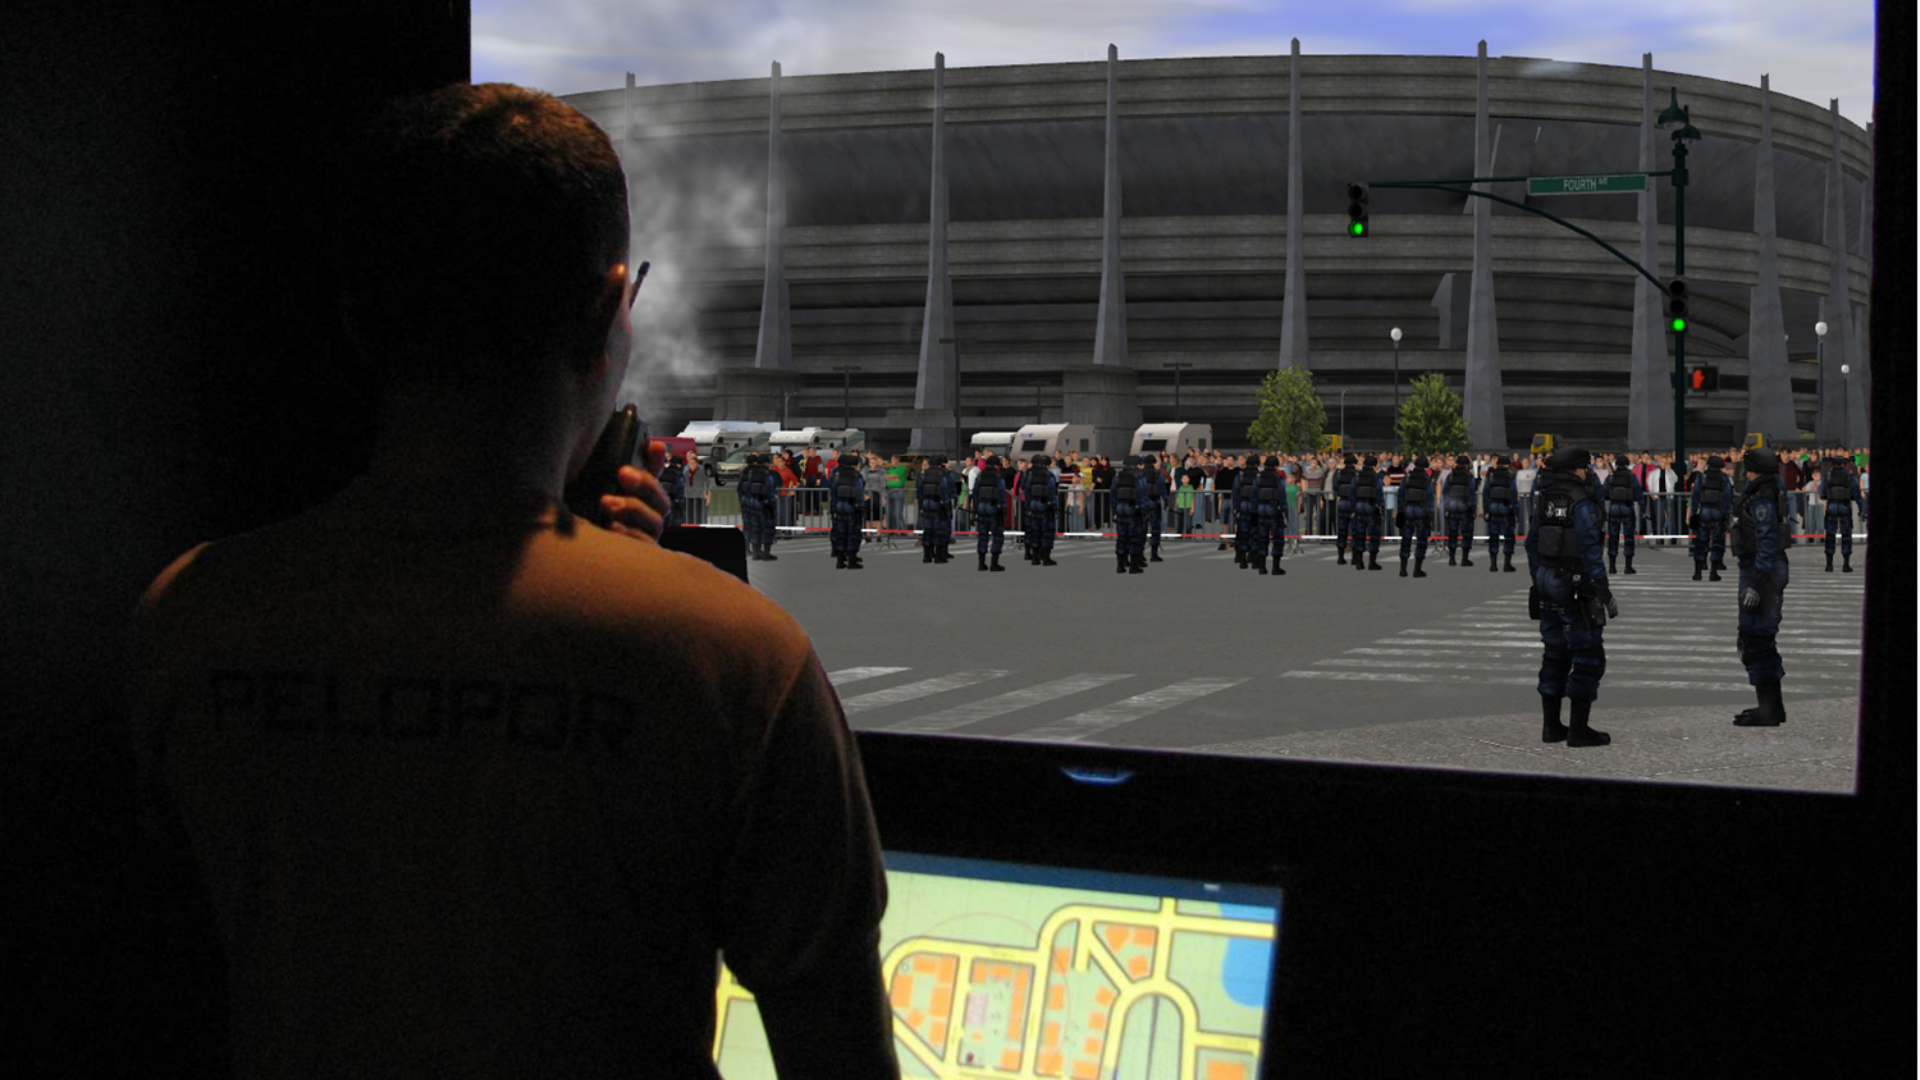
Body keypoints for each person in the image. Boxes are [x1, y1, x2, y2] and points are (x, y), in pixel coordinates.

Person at [125, 83, 895, 1076]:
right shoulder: (733, 659)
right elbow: (837, 1050)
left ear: (360, 312)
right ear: (608, 305)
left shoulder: (191, 614)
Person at [1524, 446, 1616, 747]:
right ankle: (1579, 731)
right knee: (1588, 655)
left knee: (1554, 652)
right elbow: (1590, 549)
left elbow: (1531, 542)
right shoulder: (1581, 502)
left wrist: (1538, 578)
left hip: (1547, 579)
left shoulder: (1545, 498)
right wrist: (1602, 590)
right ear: (1578, 468)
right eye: (1585, 467)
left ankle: (1551, 727)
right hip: (1575, 583)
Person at [1729, 447, 1790, 726]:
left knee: (1756, 639)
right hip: (1760, 569)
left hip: (1760, 571)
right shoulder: (1766, 492)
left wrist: (1757, 582)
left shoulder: (1761, 498)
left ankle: (1769, 710)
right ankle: (1771, 708)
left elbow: (1766, 542)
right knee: (1759, 638)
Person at [1690, 454, 1734, 581]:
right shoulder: (1724, 479)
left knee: (1701, 541)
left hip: (1704, 510)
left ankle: (1698, 572)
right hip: (1718, 511)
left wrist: (1694, 511)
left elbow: (1695, 495)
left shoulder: (1702, 477)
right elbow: (1728, 497)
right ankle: (1713, 572)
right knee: (1718, 542)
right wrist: (1727, 514)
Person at [1602, 453, 1645, 575]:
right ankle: (1628, 566)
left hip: (1614, 506)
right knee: (1629, 537)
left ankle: (1612, 566)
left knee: (1613, 537)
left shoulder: (1611, 477)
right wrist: (1641, 506)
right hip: (1627, 506)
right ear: (1627, 464)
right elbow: (1638, 492)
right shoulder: (1632, 477)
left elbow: (1604, 492)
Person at [1821, 456, 1863, 572]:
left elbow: (1821, 492)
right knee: (1846, 535)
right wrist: (1860, 507)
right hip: (1845, 506)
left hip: (1831, 506)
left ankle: (1829, 565)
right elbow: (1857, 493)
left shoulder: (1827, 476)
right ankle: (1846, 564)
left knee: (1830, 535)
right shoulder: (1850, 477)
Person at [1395, 454, 1434, 577]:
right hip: (1421, 509)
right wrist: (1430, 514)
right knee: (1421, 540)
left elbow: (1400, 495)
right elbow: (1429, 498)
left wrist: (1400, 510)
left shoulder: (1406, 478)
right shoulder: (1427, 480)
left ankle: (1403, 569)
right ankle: (1417, 569)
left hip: (1407, 509)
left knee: (1406, 539)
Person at [1346, 454, 1386, 571]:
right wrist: (1382, 508)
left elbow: (1352, 493)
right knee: (1373, 535)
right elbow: (1379, 493)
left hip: (1359, 507)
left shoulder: (1356, 476)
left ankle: (1359, 562)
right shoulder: (1376, 477)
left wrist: (1352, 508)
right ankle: (1372, 562)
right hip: (1371, 507)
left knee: (1359, 535)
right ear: (1373, 465)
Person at [970, 454, 1009, 571]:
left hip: (982, 507)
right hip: (994, 508)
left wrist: (976, 508)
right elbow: (1002, 495)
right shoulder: (999, 477)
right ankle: (994, 564)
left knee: (982, 536)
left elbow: (975, 494)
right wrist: (1004, 510)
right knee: (997, 536)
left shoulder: (980, 476)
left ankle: (981, 563)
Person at [1481, 454, 1519, 572]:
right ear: (1508, 464)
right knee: (1508, 536)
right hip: (1505, 507)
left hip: (1493, 506)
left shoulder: (1491, 476)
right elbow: (1513, 494)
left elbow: (1485, 493)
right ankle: (1507, 564)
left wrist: (1486, 508)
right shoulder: (1510, 476)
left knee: (1493, 536)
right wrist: (1516, 510)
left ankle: (1493, 564)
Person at [1110, 455, 1148, 573]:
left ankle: (1120, 566)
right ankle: (1134, 566)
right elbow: (1142, 494)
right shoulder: (1139, 476)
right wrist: (1144, 510)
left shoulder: (1117, 476)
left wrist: (1114, 510)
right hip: (1133, 508)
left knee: (1122, 537)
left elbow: (1113, 495)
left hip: (1120, 508)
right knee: (1135, 537)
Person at [829, 453, 866, 569]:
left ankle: (840, 561)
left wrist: (834, 507)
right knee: (853, 533)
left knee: (841, 533)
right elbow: (860, 493)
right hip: (852, 507)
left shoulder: (837, 474)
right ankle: (852, 561)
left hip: (840, 506)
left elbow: (833, 492)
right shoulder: (856, 476)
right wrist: (861, 508)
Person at [1021, 454, 1061, 566]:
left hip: (1033, 504)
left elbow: (1027, 490)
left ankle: (1035, 558)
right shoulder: (1049, 475)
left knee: (1035, 531)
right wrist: (1054, 507)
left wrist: (1028, 504)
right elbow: (1052, 492)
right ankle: (1046, 558)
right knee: (1047, 531)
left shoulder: (1030, 475)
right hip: (1045, 505)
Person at [1251, 455, 1288, 576]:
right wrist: (1284, 509)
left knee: (1262, 537)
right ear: (1276, 465)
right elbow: (1282, 494)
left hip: (1261, 508)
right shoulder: (1278, 477)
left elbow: (1254, 493)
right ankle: (1275, 568)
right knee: (1277, 538)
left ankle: (1262, 567)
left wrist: (1254, 509)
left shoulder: (1259, 477)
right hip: (1274, 508)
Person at [916, 454, 955, 564]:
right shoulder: (942, 474)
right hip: (938, 504)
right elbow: (944, 491)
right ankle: (938, 557)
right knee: (940, 531)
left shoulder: (923, 474)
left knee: (928, 530)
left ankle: (926, 556)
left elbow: (919, 492)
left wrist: (920, 505)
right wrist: (947, 508)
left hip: (926, 503)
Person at [1441, 454, 1477, 568]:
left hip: (1452, 504)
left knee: (1452, 532)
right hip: (1464, 504)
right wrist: (1474, 507)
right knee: (1466, 532)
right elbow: (1472, 492)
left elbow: (1445, 492)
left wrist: (1446, 507)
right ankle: (1464, 559)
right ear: (1466, 465)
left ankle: (1452, 558)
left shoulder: (1450, 475)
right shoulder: (1469, 476)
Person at [1332, 453, 1360, 565]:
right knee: (1355, 530)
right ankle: (1354, 558)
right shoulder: (1357, 474)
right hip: (1354, 503)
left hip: (1342, 502)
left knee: (1342, 530)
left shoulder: (1339, 473)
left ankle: (1340, 557)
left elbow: (1335, 488)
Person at [1140, 453, 1168, 562]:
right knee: (1155, 528)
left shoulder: (1140, 474)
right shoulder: (1158, 474)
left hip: (1142, 504)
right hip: (1154, 502)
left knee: (1142, 528)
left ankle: (1140, 554)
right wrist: (1165, 500)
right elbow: (1162, 488)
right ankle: (1154, 554)